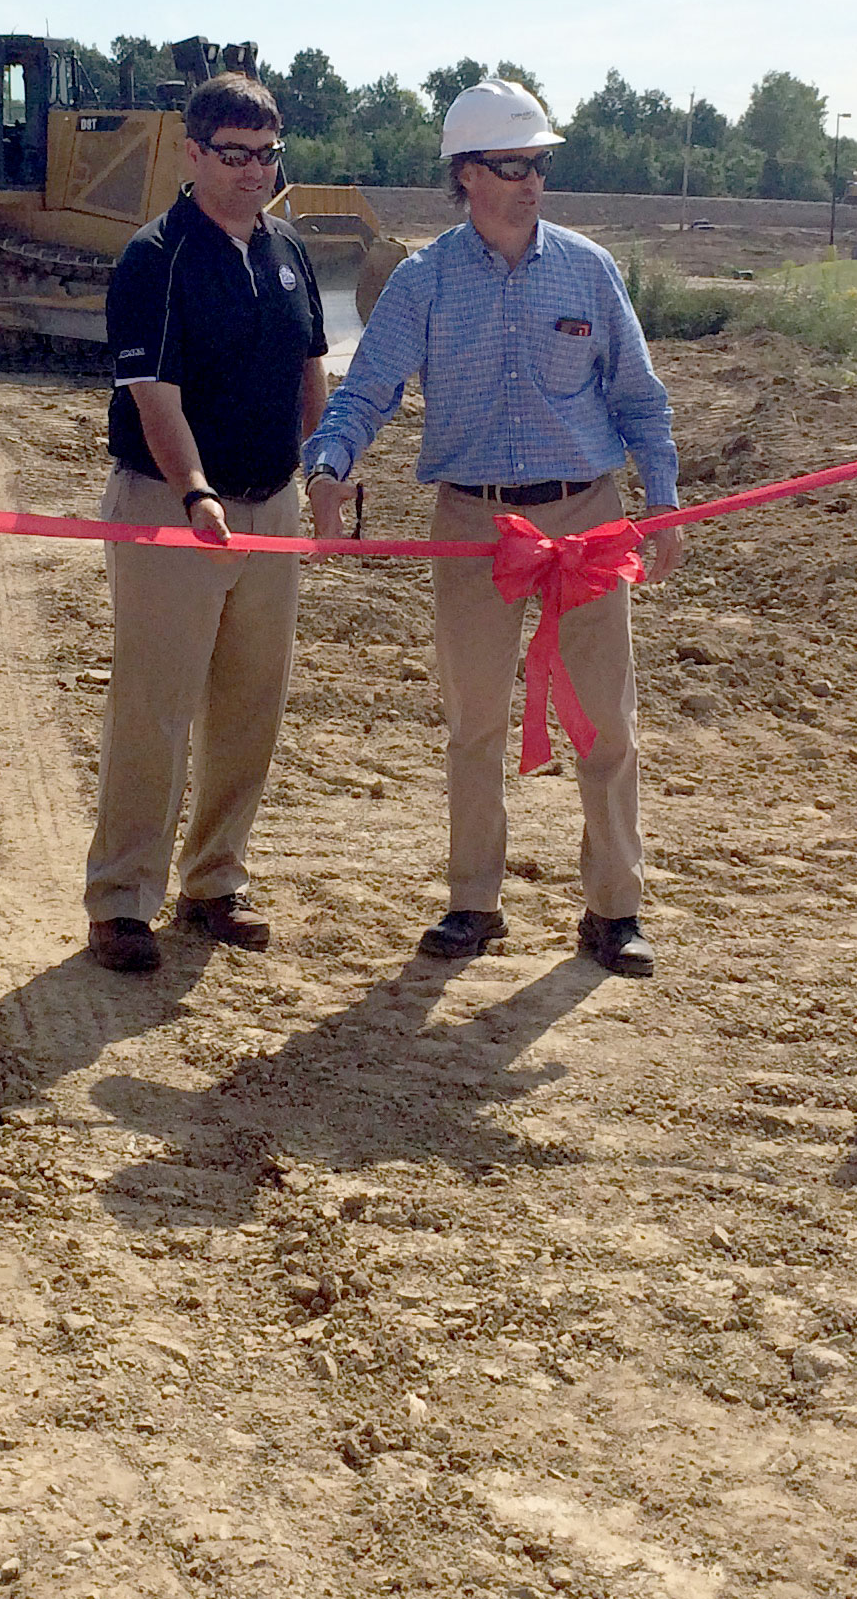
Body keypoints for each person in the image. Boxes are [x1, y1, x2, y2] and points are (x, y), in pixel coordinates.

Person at [304, 80, 680, 977]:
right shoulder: (423, 283)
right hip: (474, 524)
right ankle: (474, 902)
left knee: (605, 723)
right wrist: (329, 464)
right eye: (514, 166)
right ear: (466, 174)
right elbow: (369, 389)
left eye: (540, 164)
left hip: (586, 520)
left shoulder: (589, 268)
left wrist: (661, 501)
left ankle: (614, 910)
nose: (532, 181)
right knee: (474, 721)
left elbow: (637, 396)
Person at [81, 73, 331, 975]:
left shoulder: (289, 252)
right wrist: (195, 493)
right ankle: (121, 898)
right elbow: (154, 396)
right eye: (234, 156)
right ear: (192, 155)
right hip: (171, 508)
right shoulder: (156, 257)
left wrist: (323, 468)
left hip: (272, 507)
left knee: (250, 706)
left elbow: (311, 370)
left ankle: (215, 880)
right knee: (155, 706)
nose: (253, 173)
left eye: (267, 156)